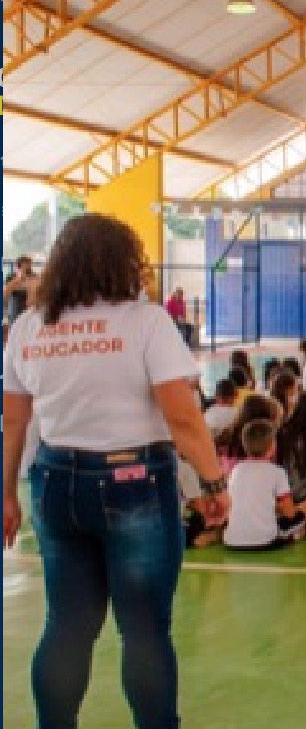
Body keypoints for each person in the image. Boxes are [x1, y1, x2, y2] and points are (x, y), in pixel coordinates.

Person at [2, 214, 228, 729]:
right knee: (144, 630)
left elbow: (14, 421)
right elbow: (183, 417)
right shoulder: (145, 322)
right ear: (125, 261)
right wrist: (212, 482)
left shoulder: (28, 328)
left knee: (67, 625)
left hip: (55, 483)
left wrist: (6, 495)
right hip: (135, 484)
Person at [224, 419, 306, 550]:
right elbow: (289, 512)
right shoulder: (277, 472)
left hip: (232, 541)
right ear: (272, 446)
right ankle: (294, 536)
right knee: (305, 507)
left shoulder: (236, 470)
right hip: (266, 540)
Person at [3, 254, 38, 325]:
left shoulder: (34, 277)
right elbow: (5, 294)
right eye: (25, 266)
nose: (29, 268)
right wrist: (18, 279)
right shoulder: (12, 277)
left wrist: (29, 284)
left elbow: (36, 294)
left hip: (30, 310)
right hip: (15, 309)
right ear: (19, 266)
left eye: (29, 265)